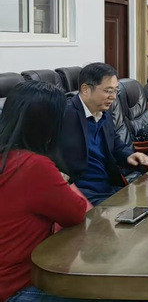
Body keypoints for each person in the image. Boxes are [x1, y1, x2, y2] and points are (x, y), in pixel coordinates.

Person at [0, 81, 87, 302]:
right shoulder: (33, 166)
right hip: (18, 287)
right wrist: (62, 179)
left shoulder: (10, 159)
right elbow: (77, 213)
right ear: (48, 125)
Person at [57, 63, 148, 205]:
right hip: (82, 193)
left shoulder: (104, 114)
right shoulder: (65, 114)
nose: (113, 97)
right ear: (86, 89)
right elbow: (42, 150)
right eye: (108, 91)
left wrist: (129, 155)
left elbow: (115, 145)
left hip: (109, 188)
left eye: (116, 91)